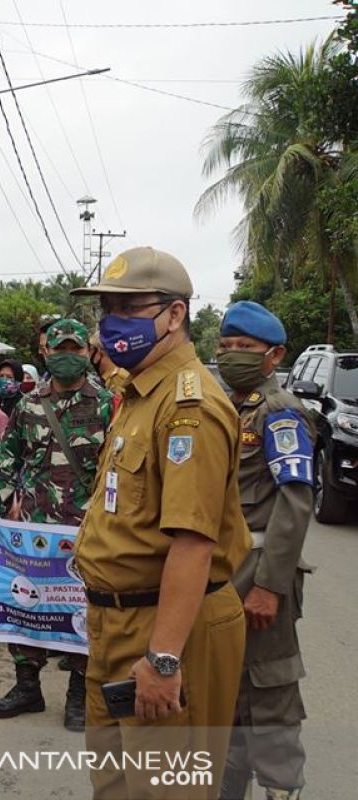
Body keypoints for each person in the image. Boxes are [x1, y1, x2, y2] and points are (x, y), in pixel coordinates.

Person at [70, 247, 249, 799]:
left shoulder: (189, 407)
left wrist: (163, 658)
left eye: (129, 307)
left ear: (175, 316)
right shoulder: (138, 393)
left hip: (167, 629)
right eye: (107, 309)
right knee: (118, 786)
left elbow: (193, 543)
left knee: (165, 791)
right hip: (118, 625)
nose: (112, 323)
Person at [0, 319, 113, 732]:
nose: (68, 356)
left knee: (82, 612)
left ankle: (79, 694)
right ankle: (28, 687)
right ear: (45, 352)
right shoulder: (28, 404)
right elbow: (6, 461)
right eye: (61, 348)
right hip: (33, 530)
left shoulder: (107, 404)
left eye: (76, 349)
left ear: (88, 353)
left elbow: (119, 470)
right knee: (23, 605)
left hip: (87, 531)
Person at [215, 302, 313, 800]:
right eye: (226, 347)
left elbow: (295, 505)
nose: (233, 355)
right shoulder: (230, 405)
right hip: (226, 574)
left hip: (261, 575)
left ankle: (279, 787)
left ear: (273, 356)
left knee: (268, 692)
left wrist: (271, 587)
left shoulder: (279, 412)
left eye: (246, 349)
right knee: (228, 692)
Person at [89, 331, 130, 396]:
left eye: (91, 350)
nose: (88, 355)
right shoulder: (106, 379)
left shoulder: (117, 379)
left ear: (99, 351)